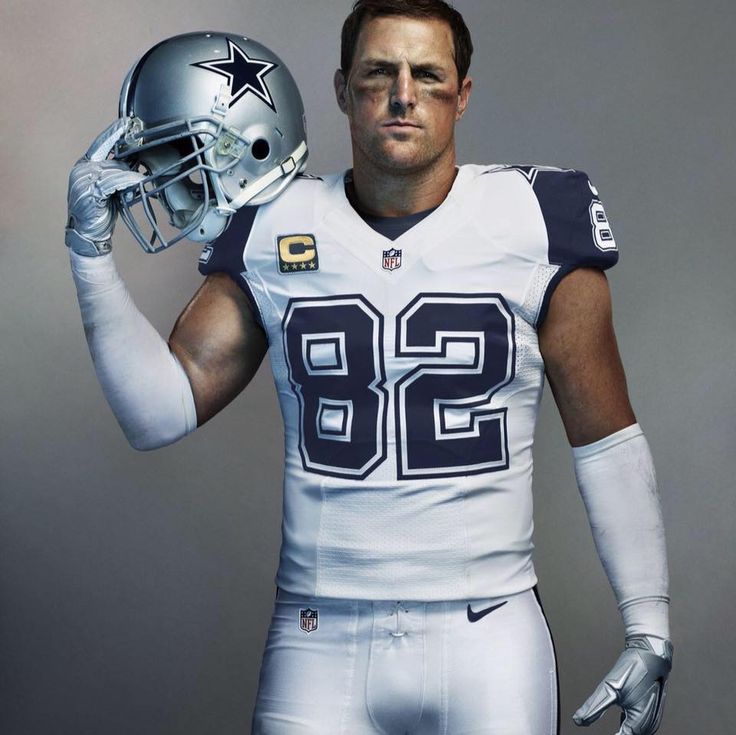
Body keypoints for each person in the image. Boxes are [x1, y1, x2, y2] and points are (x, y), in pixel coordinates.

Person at [65, 2, 672, 733]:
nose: (403, 94)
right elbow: (155, 412)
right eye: (379, 72)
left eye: (428, 74)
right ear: (343, 90)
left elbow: (605, 438)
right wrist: (90, 256)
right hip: (319, 634)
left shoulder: (536, 215)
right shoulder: (274, 227)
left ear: (463, 93)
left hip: (488, 634)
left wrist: (648, 623)